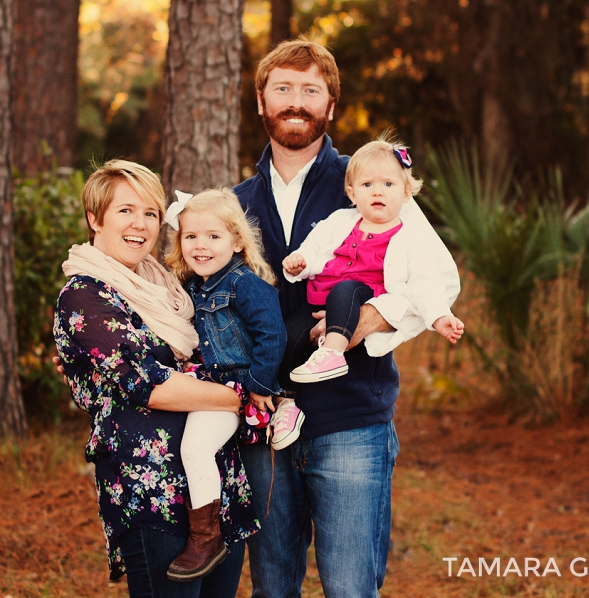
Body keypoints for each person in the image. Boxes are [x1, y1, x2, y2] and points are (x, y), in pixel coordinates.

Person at [231, 39, 462, 597]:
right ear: (261, 101)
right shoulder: (235, 203)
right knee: (272, 588)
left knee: (351, 589)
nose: (296, 101)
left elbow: (432, 278)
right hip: (263, 424)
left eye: (311, 90)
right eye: (283, 88)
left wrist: (361, 325)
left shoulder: (373, 184)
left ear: (330, 105)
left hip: (352, 417)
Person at [52, 159, 258, 597]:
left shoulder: (170, 286)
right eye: (125, 210)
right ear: (95, 218)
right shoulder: (86, 294)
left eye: (150, 213)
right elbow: (153, 387)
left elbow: (222, 347)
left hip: (216, 483)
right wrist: (244, 396)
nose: (140, 224)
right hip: (152, 488)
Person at [161, 187, 285, 577]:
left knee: (195, 448)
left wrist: (259, 385)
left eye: (213, 237)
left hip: (234, 390)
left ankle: (206, 537)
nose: (201, 246)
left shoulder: (243, 284)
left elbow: (272, 334)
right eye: (191, 236)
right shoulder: (193, 287)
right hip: (207, 385)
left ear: (236, 241)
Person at [281, 135, 464, 389]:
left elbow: (426, 282)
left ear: (406, 192)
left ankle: (332, 353)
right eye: (367, 185)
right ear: (352, 193)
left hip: (359, 295)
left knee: (345, 289)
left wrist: (439, 316)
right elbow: (315, 245)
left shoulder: (410, 236)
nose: (378, 191)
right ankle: (285, 399)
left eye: (388, 184)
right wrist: (302, 261)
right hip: (318, 299)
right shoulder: (340, 220)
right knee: (287, 337)